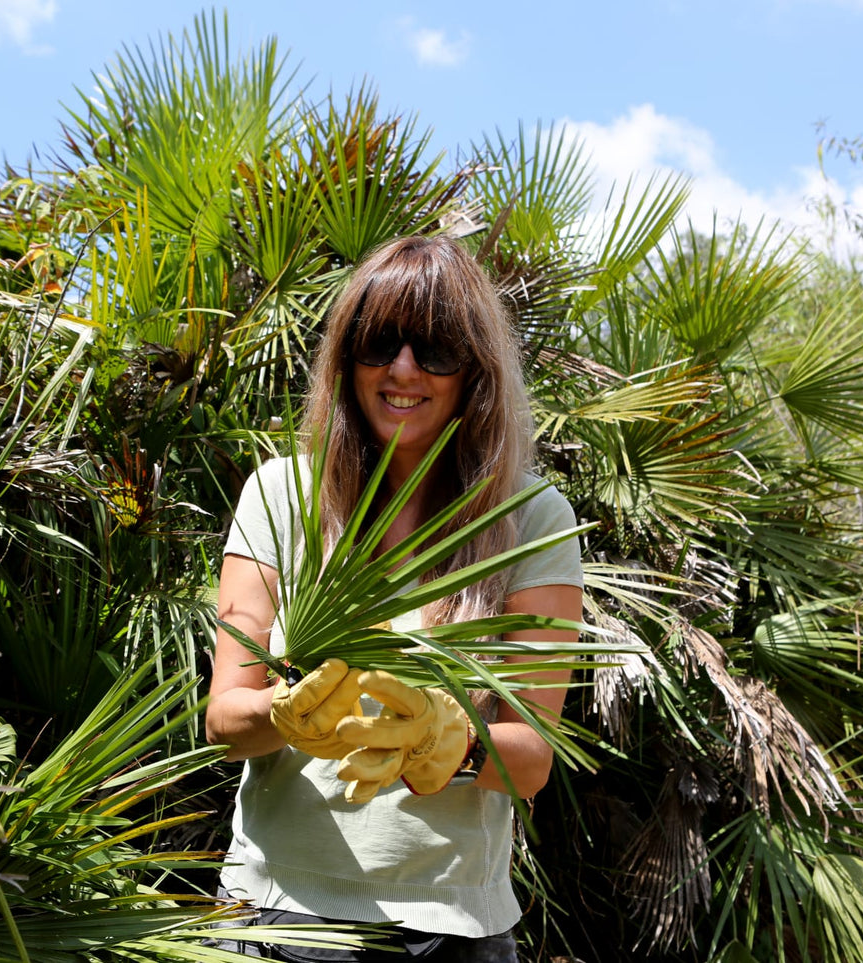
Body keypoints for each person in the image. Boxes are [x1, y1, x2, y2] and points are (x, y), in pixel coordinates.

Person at [204, 234, 584, 961]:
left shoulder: (531, 519)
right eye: (379, 342)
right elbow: (224, 716)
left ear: (474, 369)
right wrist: (281, 713)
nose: (402, 368)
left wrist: (450, 737)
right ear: (346, 356)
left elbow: (532, 758)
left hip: (452, 931)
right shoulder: (282, 494)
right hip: (278, 916)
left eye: (435, 347)